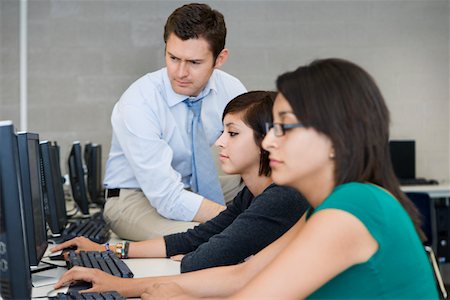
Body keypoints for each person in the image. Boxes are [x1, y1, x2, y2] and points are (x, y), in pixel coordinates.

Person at [55, 58, 439, 299]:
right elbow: (246, 274)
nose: (269, 142)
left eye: (284, 128)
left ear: (336, 139)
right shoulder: (332, 207)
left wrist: (171, 295)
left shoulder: (353, 210)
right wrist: (125, 286)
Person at [52, 91, 308, 274]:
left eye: (232, 133)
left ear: (267, 140)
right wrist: (107, 249)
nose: (219, 142)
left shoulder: (282, 196)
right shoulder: (251, 195)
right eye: (222, 132)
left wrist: (200, 256)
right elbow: (194, 238)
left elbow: (199, 260)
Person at [103, 3, 247, 241]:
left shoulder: (231, 90)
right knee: (204, 238)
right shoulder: (138, 102)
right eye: (173, 58)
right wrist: (235, 219)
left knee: (275, 208)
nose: (180, 73)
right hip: (135, 198)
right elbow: (166, 196)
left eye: (194, 62)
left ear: (219, 59)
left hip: (194, 186)